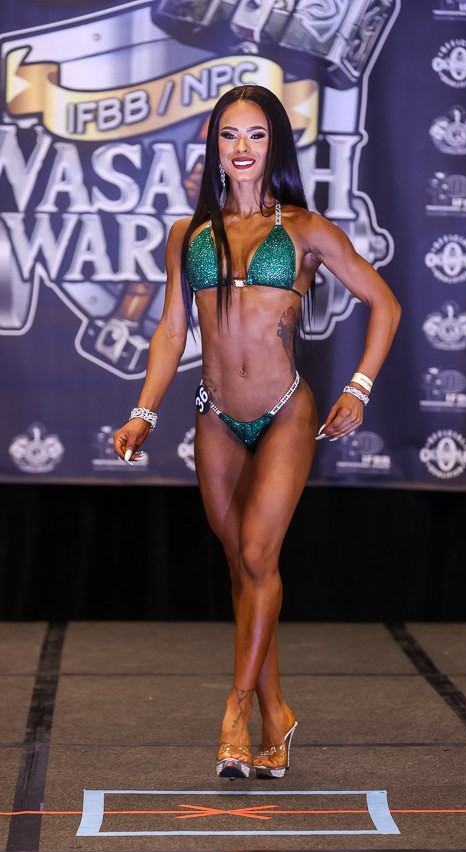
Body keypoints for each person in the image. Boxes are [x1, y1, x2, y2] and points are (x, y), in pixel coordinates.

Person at [113, 84, 401, 779]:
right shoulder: (188, 235)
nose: (242, 148)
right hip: (214, 414)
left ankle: (235, 711)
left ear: (275, 144)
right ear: (214, 145)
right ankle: (277, 714)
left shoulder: (305, 229)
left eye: (256, 135)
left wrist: (359, 388)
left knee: (257, 552)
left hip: (286, 413)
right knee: (244, 571)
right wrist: (143, 411)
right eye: (229, 135)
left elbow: (384, 303)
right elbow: (171, 331)